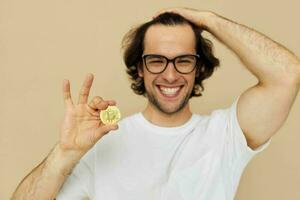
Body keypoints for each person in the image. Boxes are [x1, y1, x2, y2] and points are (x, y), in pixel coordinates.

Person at [11, 7, 300, 200]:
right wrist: (64, 153)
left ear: (199, 68)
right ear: (140, 68)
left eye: (184, 60)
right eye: (157, 61)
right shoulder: (103, 142)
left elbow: (287, 74)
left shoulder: (225, 135)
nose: (170, 74)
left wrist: (209, 20)